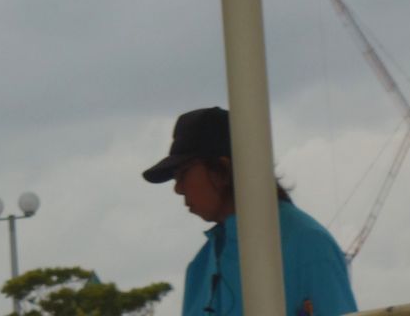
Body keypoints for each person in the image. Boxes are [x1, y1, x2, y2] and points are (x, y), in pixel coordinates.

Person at [144, 107, 357, 316]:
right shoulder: (200, 266)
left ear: (222, 169)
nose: (178, 188)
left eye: (182, 174)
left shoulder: (310, 246)